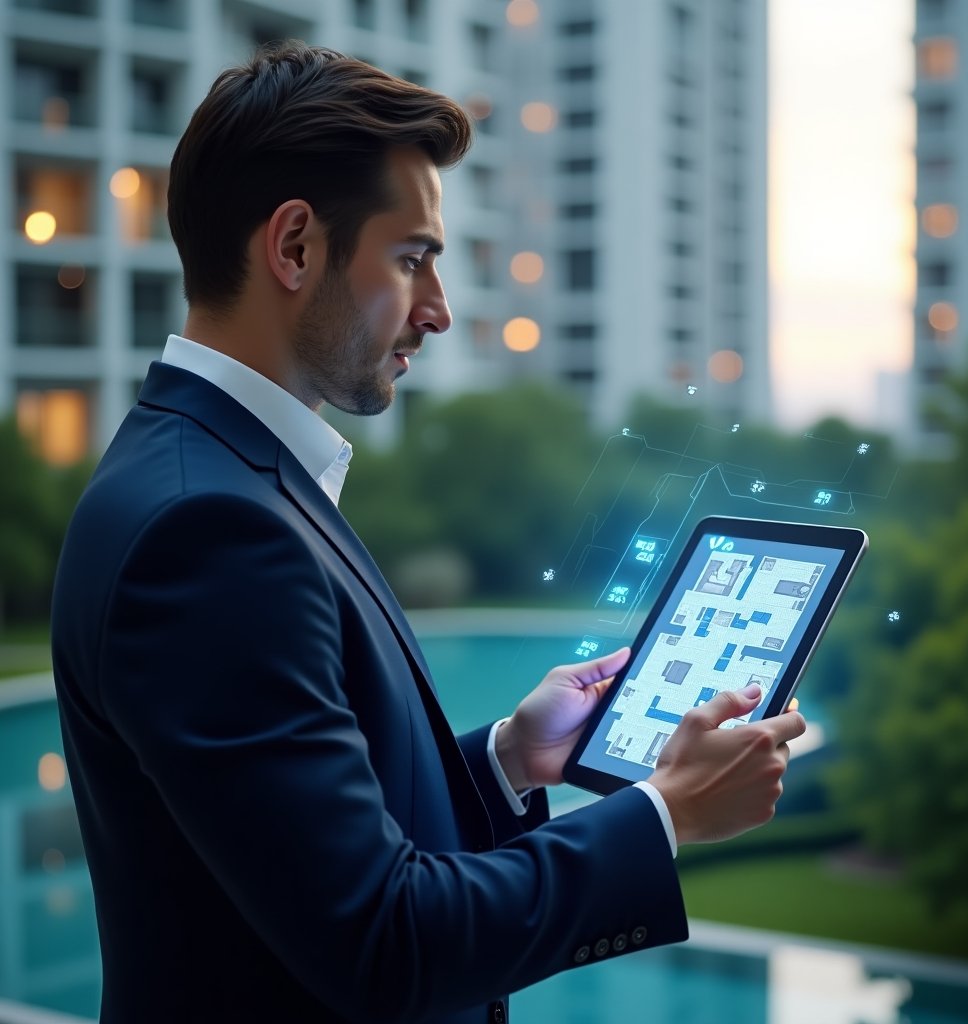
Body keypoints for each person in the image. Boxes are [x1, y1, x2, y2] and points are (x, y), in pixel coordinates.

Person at [50, 42, 806, 1024]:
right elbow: (384, 939)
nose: (439, 311)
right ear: (293, 248)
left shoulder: (217, 476)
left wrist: (505, 758)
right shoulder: (211, 529)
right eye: (412, 261)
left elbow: (300, 841)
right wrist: (662, 813)